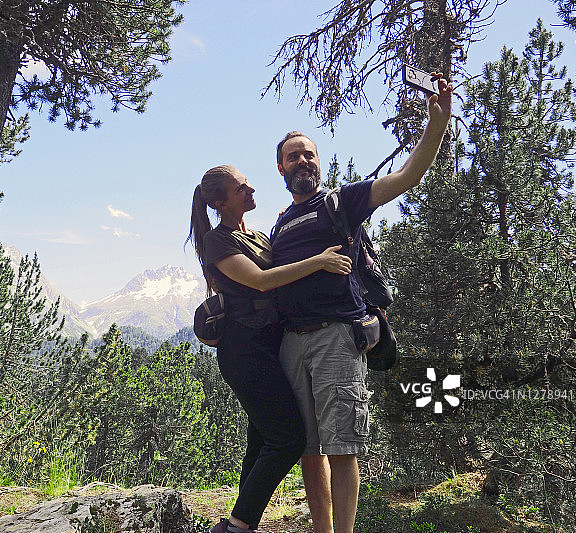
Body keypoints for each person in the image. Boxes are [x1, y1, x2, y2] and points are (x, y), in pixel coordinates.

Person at [270, 74, 453, 533]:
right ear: (281, 169)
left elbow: (407, 177)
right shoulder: (280, 223)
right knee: (309, 452)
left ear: (319, 162)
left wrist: (436, 126)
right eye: (293, 156)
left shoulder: (342, 201)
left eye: (309, 154)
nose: (302, 160)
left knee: (341, 448)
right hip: (292, 343)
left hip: (336, 337)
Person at [187, 164, 354, 533]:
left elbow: (282, 260)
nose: (251, 190)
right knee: (288, 439)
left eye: (248, 184)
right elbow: (261, 281)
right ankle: (237, 525)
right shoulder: (218, 241)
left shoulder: (260, 236)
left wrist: (288, 222)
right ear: (221, 202)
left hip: (270, 345)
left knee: (262, 439)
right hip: (244, 349)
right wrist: (321, 261)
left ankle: (241, 523)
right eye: (241, 188)